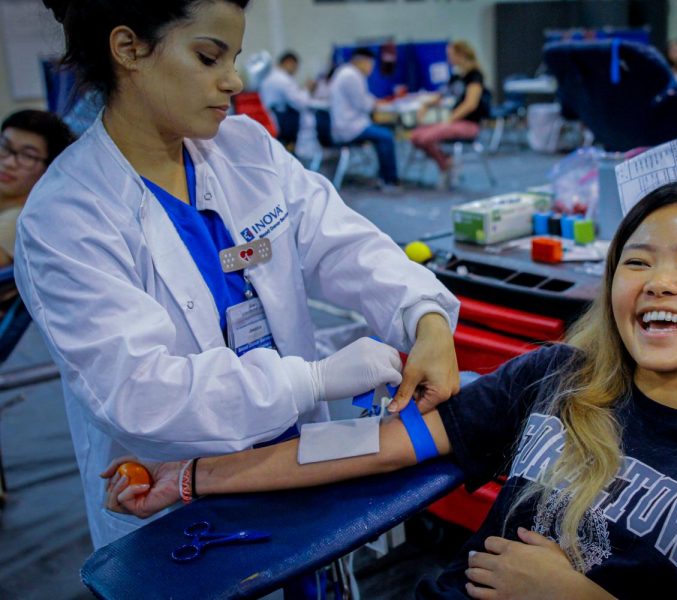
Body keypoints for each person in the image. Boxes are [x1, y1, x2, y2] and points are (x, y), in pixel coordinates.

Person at [107, 181, 677, 598]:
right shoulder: (558, 377)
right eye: (637, 262)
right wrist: (191, 477)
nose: (660, 280)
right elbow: (376, 443)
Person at [23, 0, 460, 548]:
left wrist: (424, 315)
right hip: (178, 502)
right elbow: (140, 396)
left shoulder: (242, 149)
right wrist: (314, 381)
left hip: (299, 462)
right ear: (128, 49)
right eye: (209, 57)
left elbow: (343, 242)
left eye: (235, 57)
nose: (233, 80)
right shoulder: (67, 215)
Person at [0, 110, 75, 267]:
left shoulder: (21, 221)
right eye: (5, 146)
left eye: (28, 156)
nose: (9, 163)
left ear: (49, 169)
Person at [410, 41, 490, 184]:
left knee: (426, 138)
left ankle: (446, 165)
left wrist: (450, 119)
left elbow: (470, 104)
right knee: (416, 136)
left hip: (469, 124)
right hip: (454, 121)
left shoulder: (475, 76)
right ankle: (447, 163)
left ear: (460, 55)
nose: (448, 59)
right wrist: (425, 105)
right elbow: (440, 96)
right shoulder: (456, 76)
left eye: (450, 55)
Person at [329, 48, 399, 187]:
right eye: (370, 65)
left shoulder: (345, 72)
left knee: (382, 132)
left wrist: (376, 102)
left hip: (346, 124)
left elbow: (363, 98)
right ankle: (389, 180)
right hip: (350, 127)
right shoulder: (352, 76)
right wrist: (378, 104)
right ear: (362, 62)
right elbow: (363, 104)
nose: (371, 69)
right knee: (386, 136)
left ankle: (383, 175)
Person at [259, 50, 312, 148]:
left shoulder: (269, 77)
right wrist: (307, 89)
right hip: (282, 123)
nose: (295, 71)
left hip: (270, 120)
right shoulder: (283, 79)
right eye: (295, 67)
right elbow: (301, 103)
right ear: (289, 62)